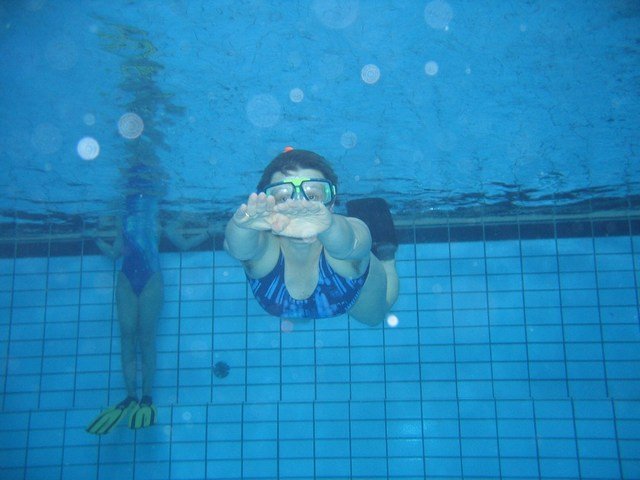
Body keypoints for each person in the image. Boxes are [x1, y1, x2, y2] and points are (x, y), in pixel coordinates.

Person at [224, 147, 399, 326]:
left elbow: (351, 243)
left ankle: (387, 257)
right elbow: (239, 248)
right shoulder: (263, 247)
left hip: (354, 287)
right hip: (287, 304)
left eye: (313, 196)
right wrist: (242, 226)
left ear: (331, 203)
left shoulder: (346, 236)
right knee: (297, 321)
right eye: (283, 198)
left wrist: (329, 226)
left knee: (374, 319)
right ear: (267, 203)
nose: (299, 206)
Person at [86, 194, 213, 435]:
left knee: (145, 338)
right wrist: (95, 238)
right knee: (127, 337)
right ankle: (130, 396)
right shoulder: (123, 220)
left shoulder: (157, 219)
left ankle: (146, 396)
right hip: (126, 280)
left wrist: (208, 232)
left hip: (151, 280)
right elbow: (115, 252)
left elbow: (182, 243)